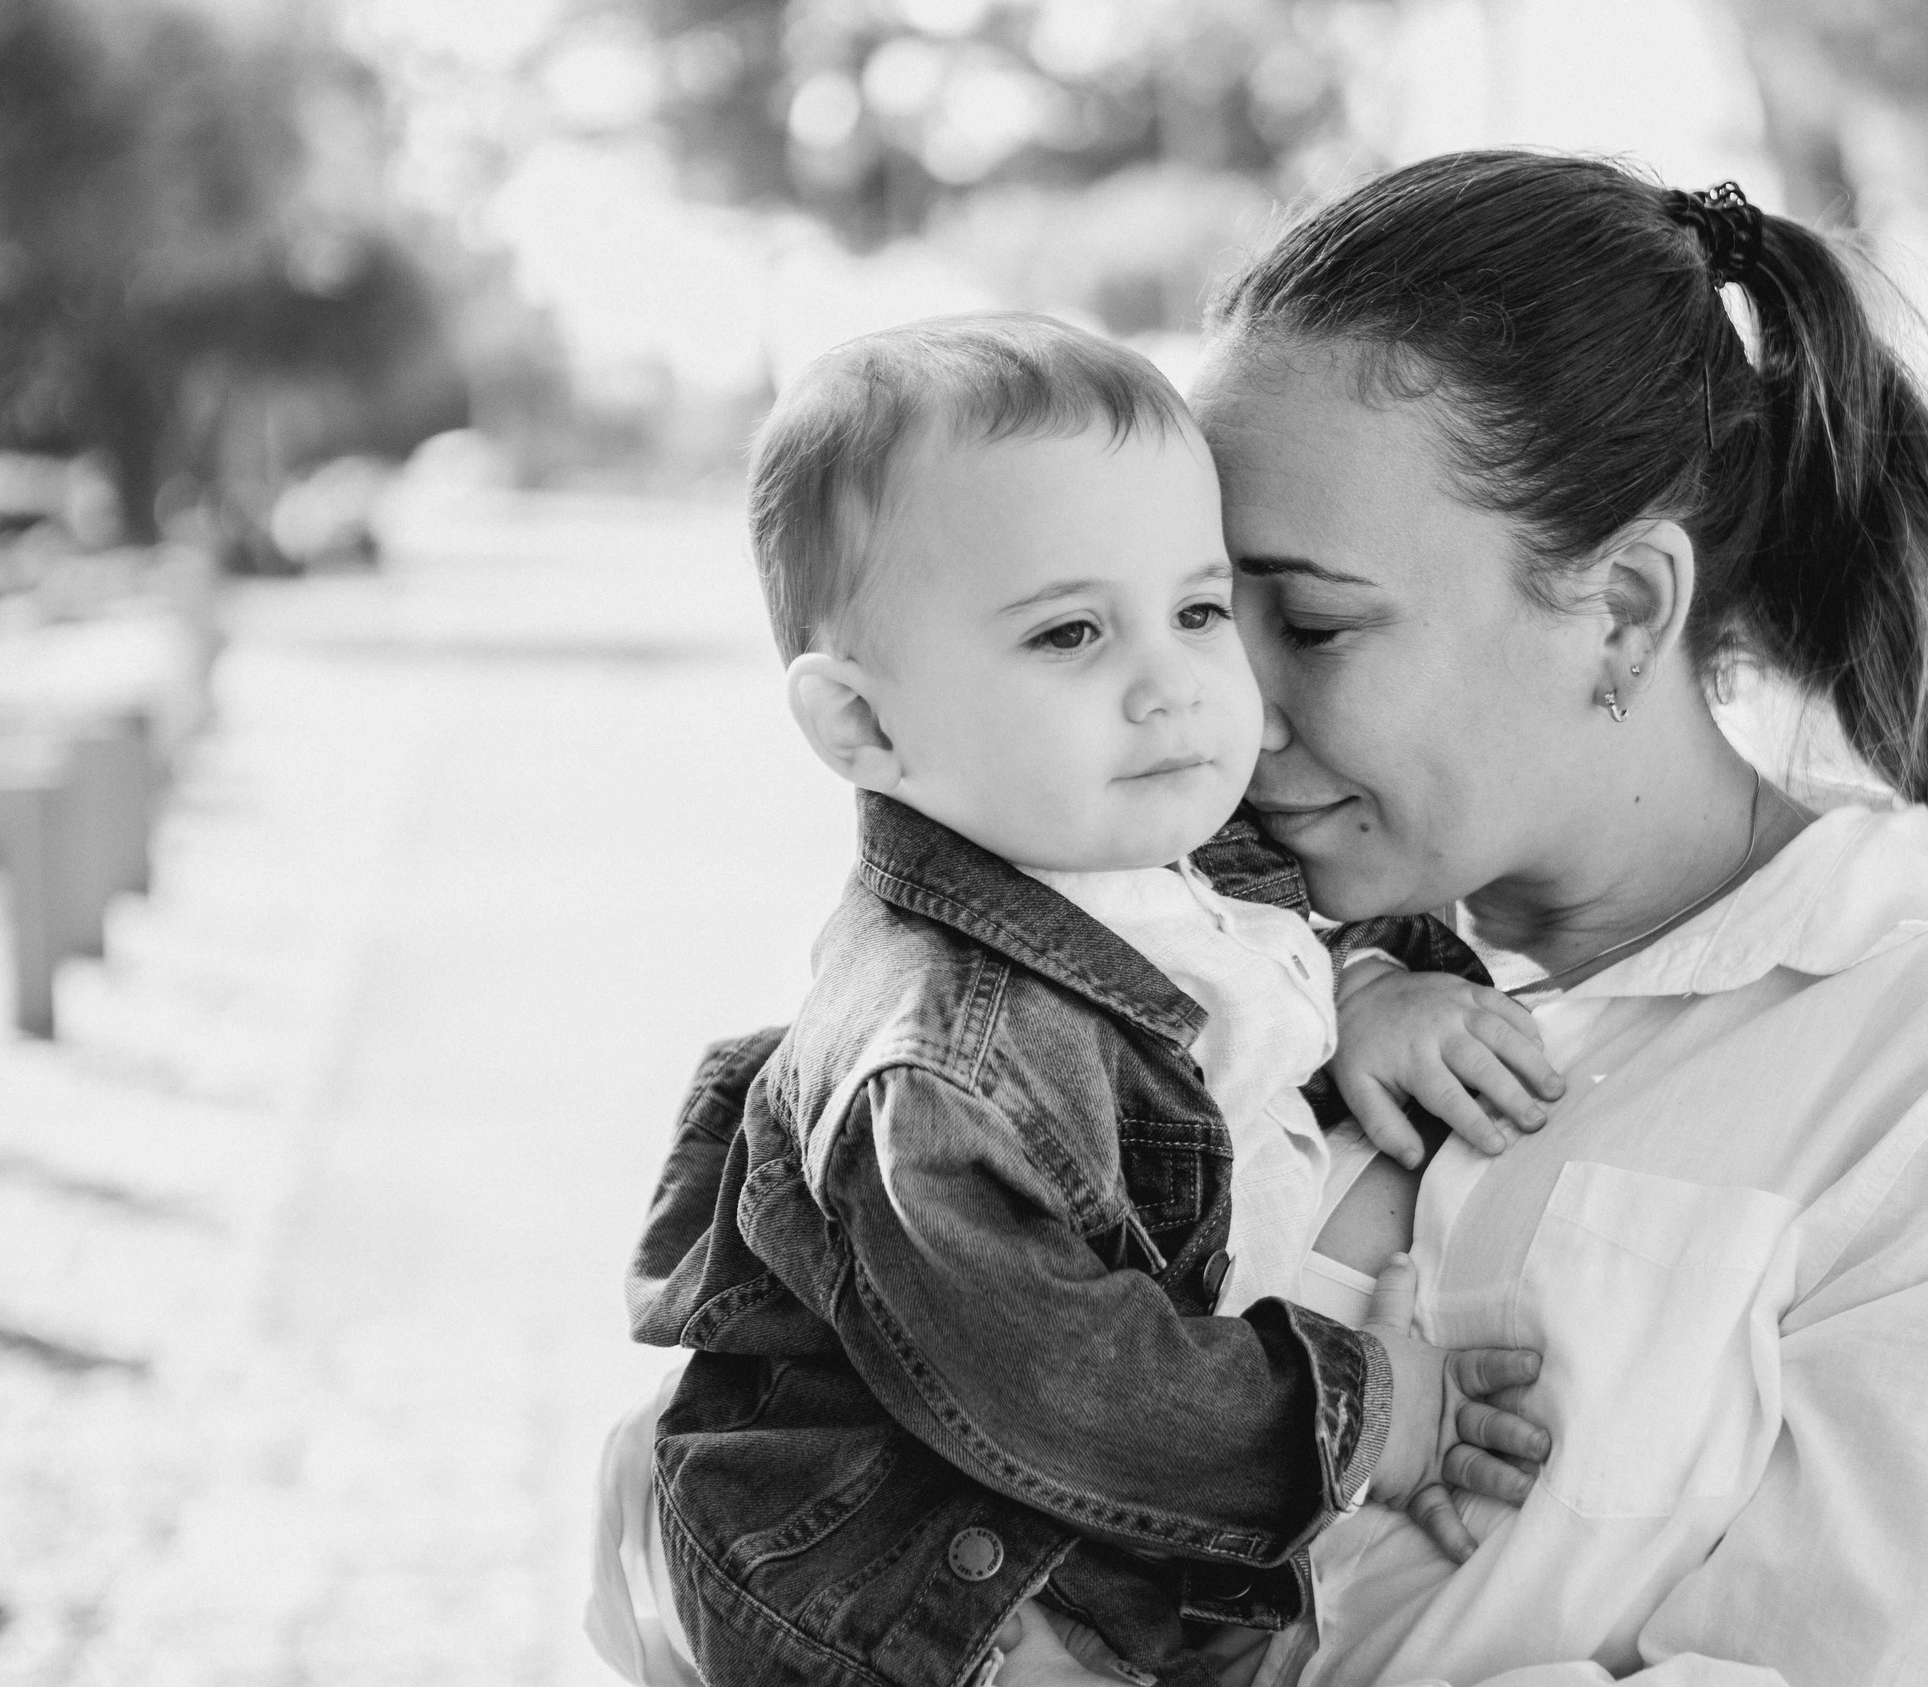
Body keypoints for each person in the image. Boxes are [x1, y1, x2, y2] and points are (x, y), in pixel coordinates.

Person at [1039, 149, 1928, 1687]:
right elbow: (720, 1488)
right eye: (1198, 613)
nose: (1226, 711)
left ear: (1627, 608)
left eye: (1308, 623)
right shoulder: (1155, 944)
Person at [588, 313, 1560, 1687]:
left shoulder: (1186, 857)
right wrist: (1369, 1417)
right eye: (1069, 634)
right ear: (864, 728)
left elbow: (1255, 1003)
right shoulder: (936, 1064)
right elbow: (1070, 1384)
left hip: (1093, 1563)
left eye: (1199, 610)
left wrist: (1376, 985)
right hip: (927, 1605)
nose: (1170, 684)